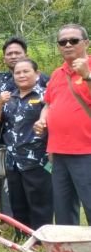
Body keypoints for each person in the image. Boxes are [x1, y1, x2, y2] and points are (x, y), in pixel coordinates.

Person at [0, 58, 52, 233]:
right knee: (17, 201)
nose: (22, 75)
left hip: (38, 160)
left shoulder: (45, 96)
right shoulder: (9, 96)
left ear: (37, 74)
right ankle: (21, 235)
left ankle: (41, 238)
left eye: (26, 71)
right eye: (18, 72)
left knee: (40, 201)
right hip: (13, 161)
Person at [35, 24, 91, 225]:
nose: (68, 44)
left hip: (86, 150)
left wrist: (87, 76)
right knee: (63, 207)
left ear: (86, 43)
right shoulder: (57, 74)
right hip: (58, 152)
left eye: (74, 40)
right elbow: (49, 104)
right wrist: (43, 118)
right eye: (62, 42)